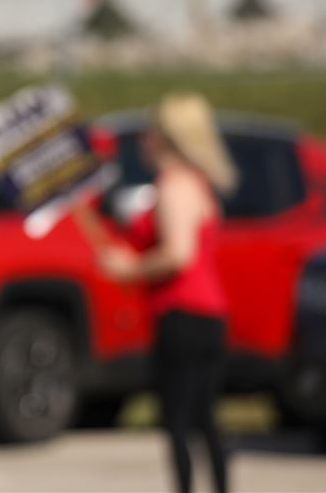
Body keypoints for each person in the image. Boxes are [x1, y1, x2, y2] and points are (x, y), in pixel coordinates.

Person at [75, 93, 236, 493]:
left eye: (149, 132)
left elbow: (177, 254)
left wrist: (130, 268)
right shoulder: (196, 183)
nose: (142, 140)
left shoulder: (175, 184)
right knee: (203, 417)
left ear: (165, 137)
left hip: (183, 313)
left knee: (180, 421)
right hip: (207, 313)